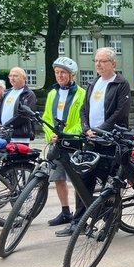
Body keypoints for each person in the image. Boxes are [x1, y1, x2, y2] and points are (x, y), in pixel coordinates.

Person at [56, 47, 130, 237]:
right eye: (96, 61)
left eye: (103, 61)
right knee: (83, 180)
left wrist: (100, 129)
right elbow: (84, 109)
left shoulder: (121, 84)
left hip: (110, 140)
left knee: (110, 183)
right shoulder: (93, 82)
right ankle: (78, 222)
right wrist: (86, 127)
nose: (98, 64)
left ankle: (110, 222)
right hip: (91, 139)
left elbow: (120, 112)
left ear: (113, 63)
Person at [41, 57, 86, 227]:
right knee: (58, 178)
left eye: (63, 73)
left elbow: (81, 120)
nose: (59, 76)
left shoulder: (81, 93)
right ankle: (65, 211)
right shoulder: (53, 93)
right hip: (56, 142)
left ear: (71, 74)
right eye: (57, 72)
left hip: (73, 142)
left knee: (77, 180)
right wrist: (50, 134)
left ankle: (80, 214)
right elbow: (46, 117)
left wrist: (65, 134)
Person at [0, 67, 37, 143]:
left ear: (24, 78)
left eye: (15, 76)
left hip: (20, 136)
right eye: (10, 76)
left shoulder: (28, 94)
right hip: (4, 135)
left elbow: (24, 115)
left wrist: (5, 126)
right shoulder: (6, 93)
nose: (12, 78)